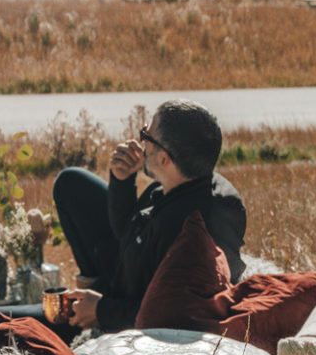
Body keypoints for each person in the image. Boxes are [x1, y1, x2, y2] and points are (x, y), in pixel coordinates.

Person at [52, 99, 246, 335]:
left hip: (126, 307)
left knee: (12, 324)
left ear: (165, 159)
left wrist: (101, 311)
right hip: (129, 272)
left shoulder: (185, 231)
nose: (142, 142)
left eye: (147, 135)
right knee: (72, 183)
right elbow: (128, 230)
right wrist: (122, 181)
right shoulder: (185, 186)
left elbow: (172, 314)